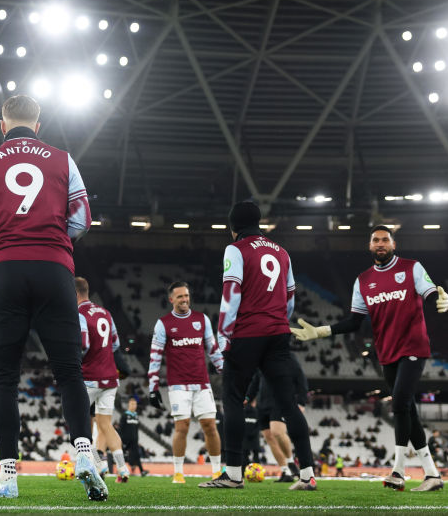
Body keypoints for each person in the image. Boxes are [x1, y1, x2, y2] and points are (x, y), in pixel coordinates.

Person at [0, 94, 105, 501]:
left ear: (2, 125)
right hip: (55, 268)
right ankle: (83, 453)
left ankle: (8, 477)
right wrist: (55, 243)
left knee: (4, 377)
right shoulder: (63, 159)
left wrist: (3, 246)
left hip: (5, 270)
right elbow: (82, 218)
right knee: (69, 373)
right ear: (38, 126)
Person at [291, 225, 448, 492]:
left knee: (399, 403)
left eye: (385, 240)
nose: (380, 244)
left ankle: (398, 472)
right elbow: (354, 322)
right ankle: (432, 475)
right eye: (375, 240)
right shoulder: (363, 281)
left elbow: (431, 292)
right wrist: (321, 331)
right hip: (385, 352)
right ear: (369, 246)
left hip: (413, 346)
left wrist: (440, 296)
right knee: (407, 409)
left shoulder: (411, 267)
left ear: (393, 244)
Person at [199, 200, 316, 490]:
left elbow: (231, 293)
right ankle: (308, 475)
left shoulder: (235, 249)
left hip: (248, 332)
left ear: (233, 227)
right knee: (288, 404)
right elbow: (290, 298)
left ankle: (234, 474)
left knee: (233, 398)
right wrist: (279, 323)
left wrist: (224, 334)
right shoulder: (282, 252)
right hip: (278, 333)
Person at [148, 280, 224, 483]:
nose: (185, 299)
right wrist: (152, 388)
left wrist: (226, 372)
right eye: (180, 296)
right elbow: (155, 356)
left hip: (202, 383)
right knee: (182, 426)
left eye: (187, 295)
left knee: (210, 425)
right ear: (171, 299)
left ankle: (217, 471)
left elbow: (213, 349)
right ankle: (178, 472)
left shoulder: (202, 319)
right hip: (178, 385)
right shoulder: (163, 323)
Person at [75, 278, 130, 482]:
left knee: (80, 421)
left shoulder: (79, 314)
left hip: (90, 377)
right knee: (106, 424)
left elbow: (83, 344)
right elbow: (115, 345)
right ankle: (123, 469)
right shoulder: (105, 313)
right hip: (110, 377)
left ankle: (94, 463)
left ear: (75, 294)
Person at [244, 352, 307, 482]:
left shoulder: (287, 355)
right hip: (262, 404)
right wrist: (248, 397)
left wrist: (301, 400)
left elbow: (300, 376)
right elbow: (256, 380)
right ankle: (286, 472)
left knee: (277, 431)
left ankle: (291, 463)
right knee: (269, 437)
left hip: (280, 401)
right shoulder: (261, 356)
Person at [117, 398, 148, 477]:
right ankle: (121, 470)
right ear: (129, 405)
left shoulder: (136, 416)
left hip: (134, 440)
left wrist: (137, 439)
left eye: (135, 404)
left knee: (137, 455)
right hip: (125, 440)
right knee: (122, 455)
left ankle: (142, 471)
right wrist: (120, 439)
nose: (134, 406)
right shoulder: (124, 415)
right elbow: (121, 428)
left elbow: (136, 429)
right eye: (132, 404)